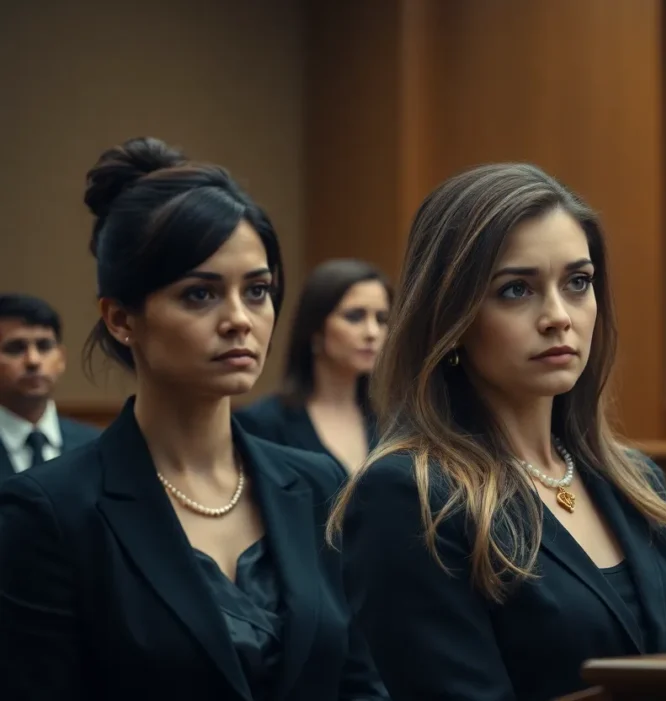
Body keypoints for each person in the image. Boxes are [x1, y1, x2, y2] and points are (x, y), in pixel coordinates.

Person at [0, 137, 387, 701]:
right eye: (200, 294)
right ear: (121, 319)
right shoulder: (49, 512)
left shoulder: (315, 484)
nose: (239, 320)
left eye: (257, 291)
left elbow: (359, 683)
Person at [330, 163, 666, 701]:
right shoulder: (409, 496)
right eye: (515, 290)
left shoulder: (636, 482)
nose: (558, 316)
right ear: (450, 315)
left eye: (578, 282)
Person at [235, 259, 390, 473]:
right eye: (355, 317)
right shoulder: (262, 423)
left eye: (382, 319)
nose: (373, 332)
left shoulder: (392, 423)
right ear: (315, 328)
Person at [0, 293, 99, 478]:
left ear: (61, 358)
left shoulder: (97, 446)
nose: (33, 361)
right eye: (15, 348)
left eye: (44, 346)